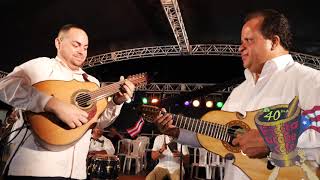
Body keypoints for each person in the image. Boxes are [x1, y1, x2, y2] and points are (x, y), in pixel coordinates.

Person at [154, 9, 320, 179]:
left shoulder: (310, 79)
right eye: (241, 42)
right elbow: (216, 136)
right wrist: (177, 132)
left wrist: (272, 139)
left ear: (274, 42)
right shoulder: (239, 92)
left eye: (248, 40)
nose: (241, 47)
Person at [0, 24, 135, 179]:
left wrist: (116, 102)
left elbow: (97, 123)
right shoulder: (42, 66)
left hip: (77, 172)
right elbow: (4, 86)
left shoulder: (92, 82)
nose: (81, 51)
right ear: (58, 43)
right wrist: (52, 104)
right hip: (36, 168)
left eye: (85, 47)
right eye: (76, 45)